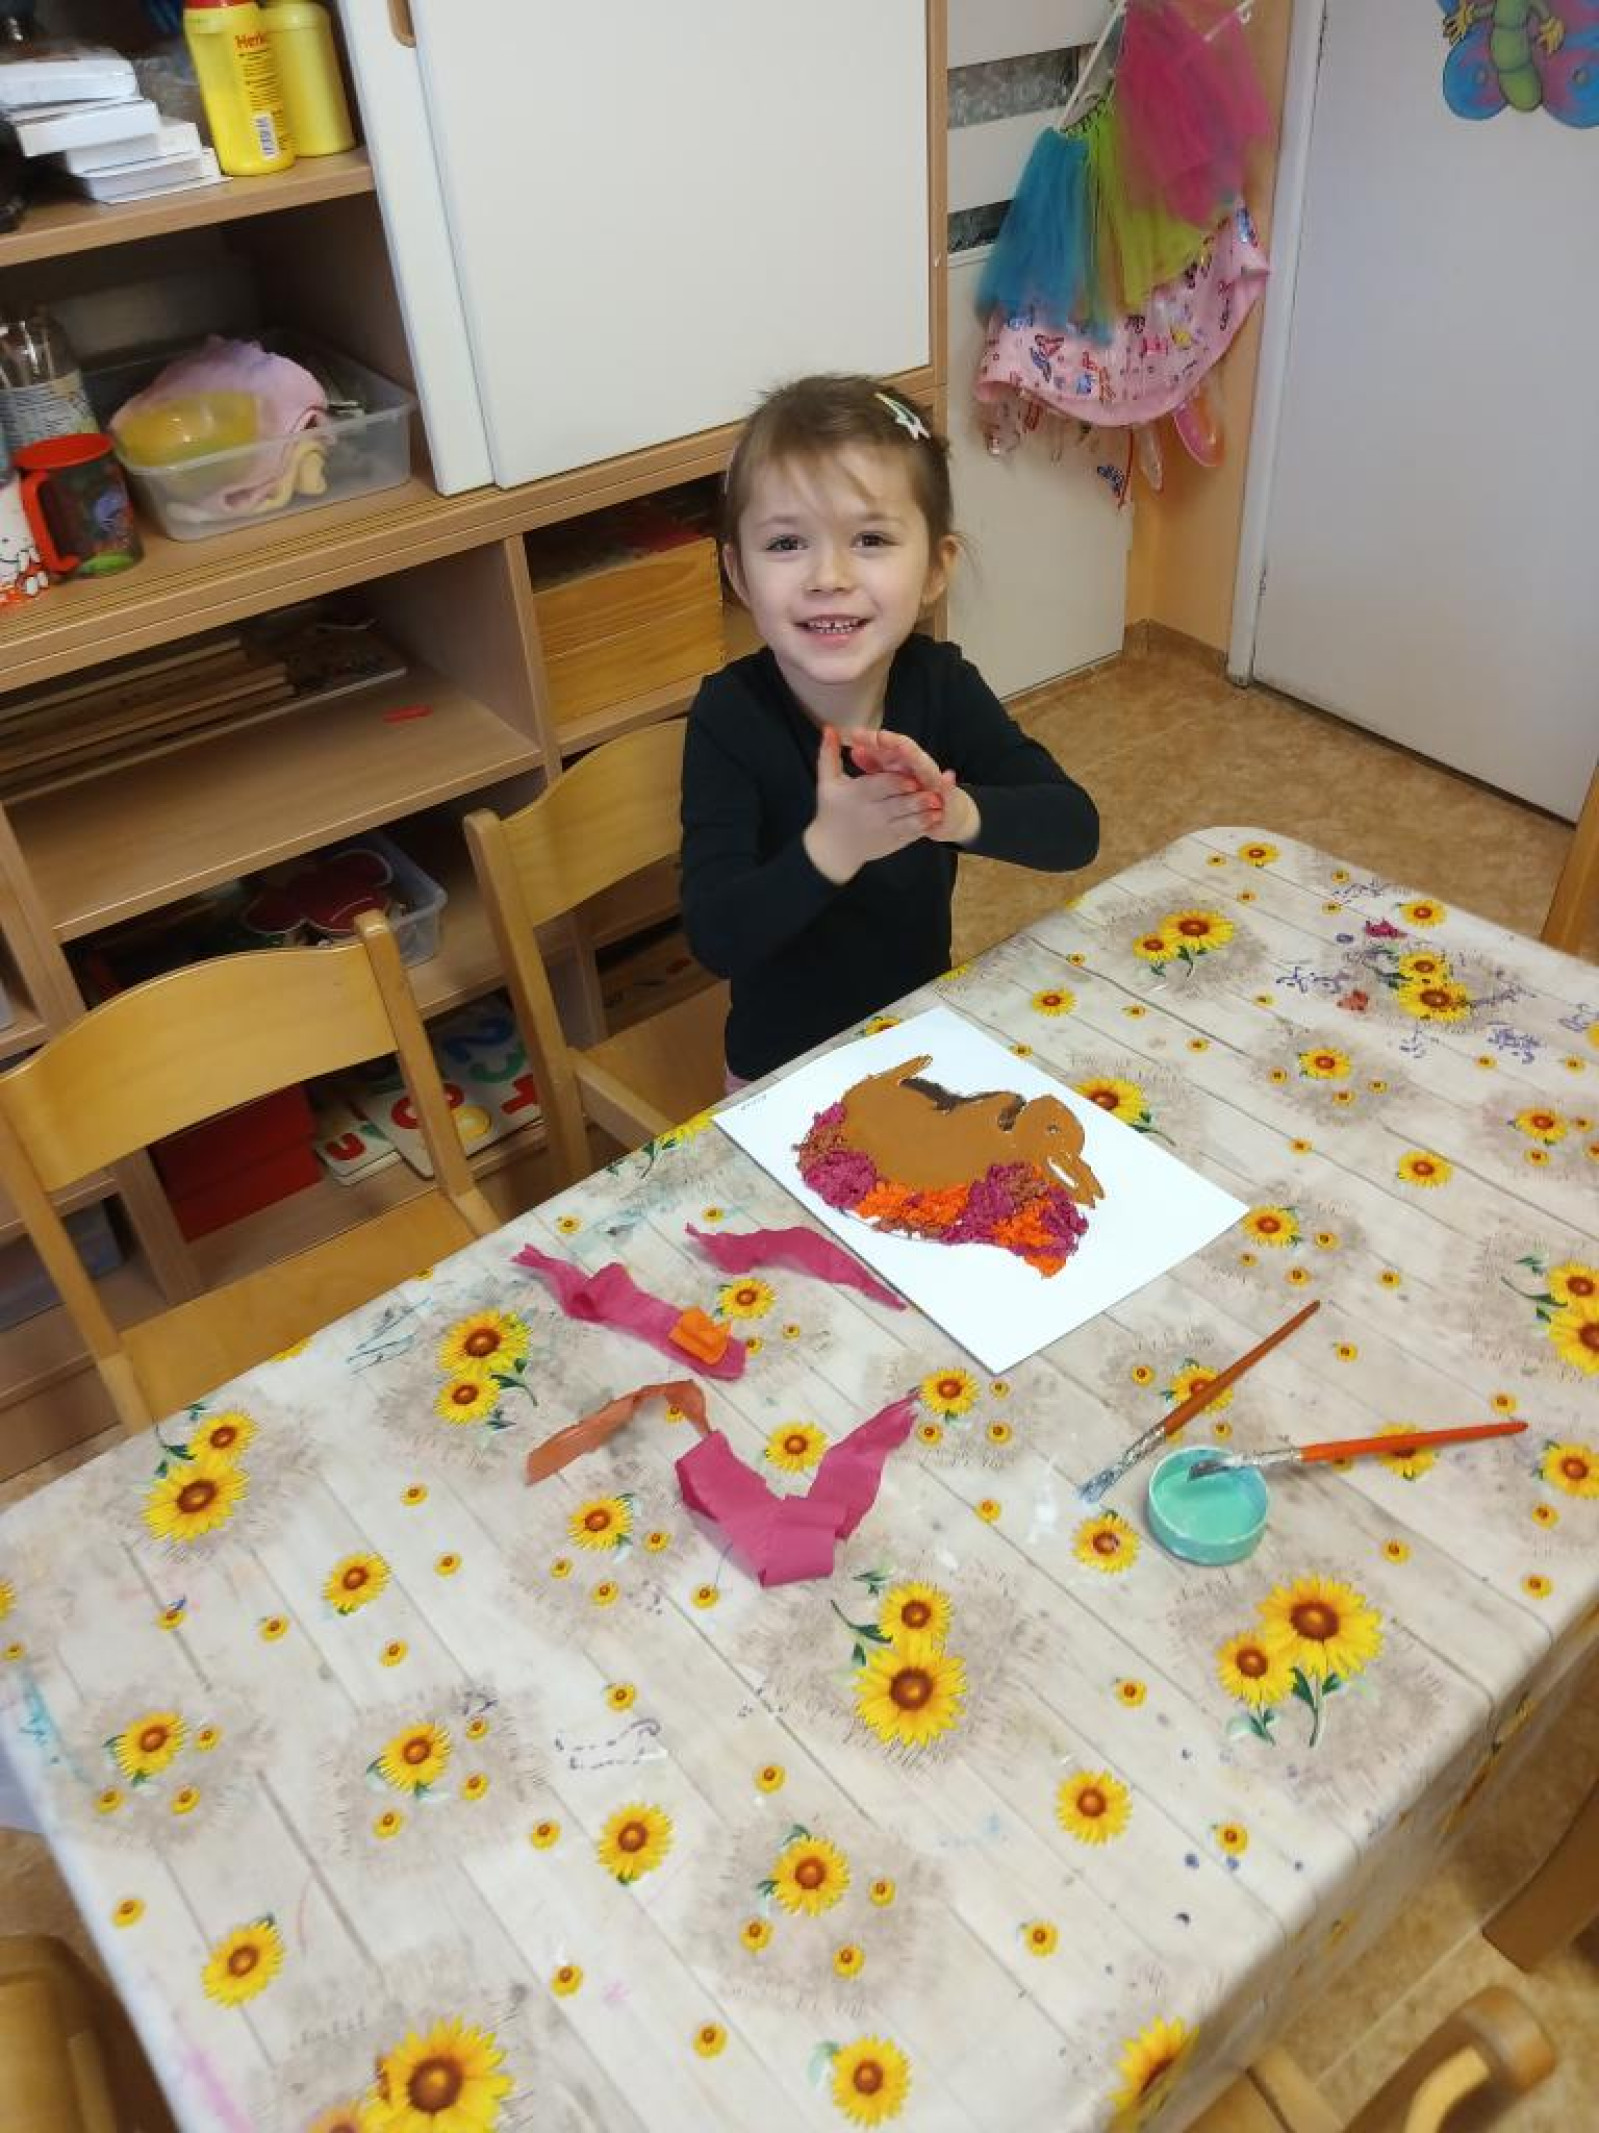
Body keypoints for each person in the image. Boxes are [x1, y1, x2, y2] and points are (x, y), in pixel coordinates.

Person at [680, 373, 1099, 1086]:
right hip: (781, 1075)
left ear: (935, 568)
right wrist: (832, 848)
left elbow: (1073, 828)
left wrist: (954, 812)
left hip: (917, 1043)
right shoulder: (729, 716)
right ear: (740, 575)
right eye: (786, 543)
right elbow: (717, 936)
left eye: (870, 538)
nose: (828, 575)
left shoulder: (940, 685)